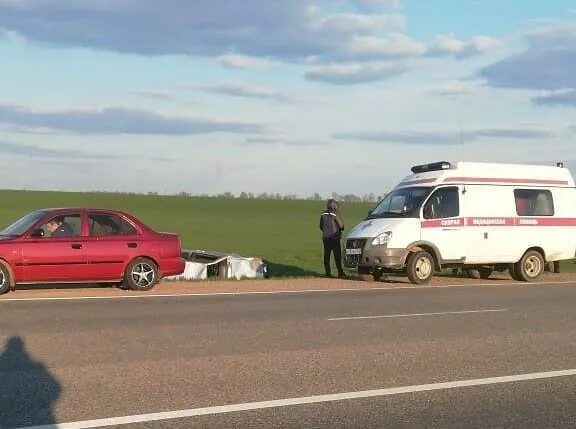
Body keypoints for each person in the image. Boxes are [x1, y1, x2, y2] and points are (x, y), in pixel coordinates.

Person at [319, 199, 346, 278]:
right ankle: (340, 273)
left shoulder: (322, 214)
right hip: (334, 238)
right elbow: (341, 226)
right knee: (337, 255)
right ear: (335, 206)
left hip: (325, 238)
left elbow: (321, 226)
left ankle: (328, 273)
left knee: (326, 255)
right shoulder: (335, 214)